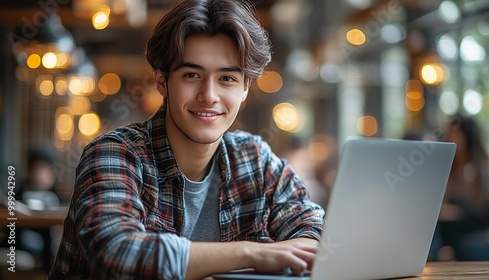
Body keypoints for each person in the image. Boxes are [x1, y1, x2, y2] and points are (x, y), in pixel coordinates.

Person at [48, 0, 325, 279]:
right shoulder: (115, 153)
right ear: (161, 80)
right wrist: (253, 253)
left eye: (227, 78)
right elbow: (117, 253)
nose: (209, 95)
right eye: (192, 75)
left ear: (245, 88)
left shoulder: (255, 160)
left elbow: (315, 230)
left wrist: (305, 247)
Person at [431, 113, 489, 261]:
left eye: (454, 134)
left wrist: (457, 211)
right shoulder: (445, 172)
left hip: (477, 238)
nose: (449, 137)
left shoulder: (485, 173)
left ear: (467, 137)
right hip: (449, 238)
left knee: (468, 249)